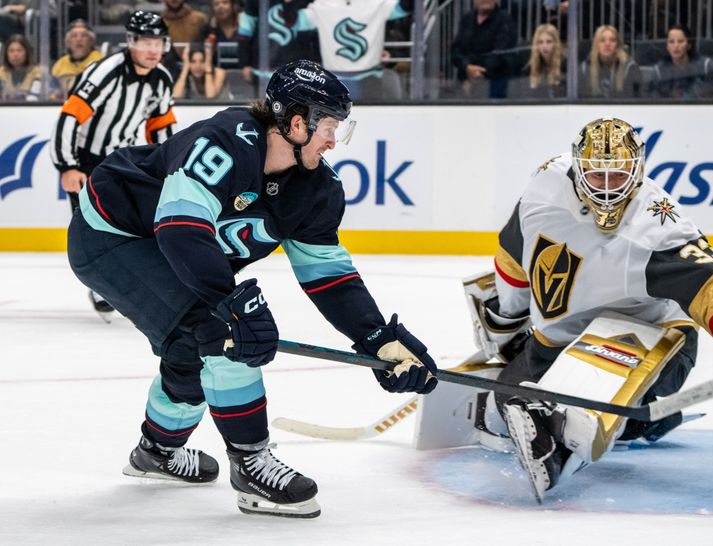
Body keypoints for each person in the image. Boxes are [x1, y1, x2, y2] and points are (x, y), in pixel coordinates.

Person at [65, 59, 438, 518]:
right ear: (297, 122)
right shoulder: (224, 141)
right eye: (328, 126)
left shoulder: (317, 187)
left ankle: (157, 452)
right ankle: (251, 462)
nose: (333, 140)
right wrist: (231, 302)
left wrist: (377, 337)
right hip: (112, 234)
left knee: (195, 343)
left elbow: (329, 275)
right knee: (218, 331)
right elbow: (181, 226)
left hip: (170, 247)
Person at [469, 117, 713, 501]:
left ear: (637, 170)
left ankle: (591, 429)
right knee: (502, 405)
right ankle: (635, 425)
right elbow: (513, 256)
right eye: (597, 176)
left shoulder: (657, 226)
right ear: (577, 169)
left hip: (652, 337)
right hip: (560, 339)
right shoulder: (543, 189)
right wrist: (507, 321)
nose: (608, 189)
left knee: (571, 406)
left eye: (618, 175)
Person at [49, 11, 175, 316]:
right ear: (130, 42)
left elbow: (161, 126)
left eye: (157, 42)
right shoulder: (105, 71)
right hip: (88, 161)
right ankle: (101, 284)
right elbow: (70, 116)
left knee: (137, 223)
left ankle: (137, 281)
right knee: (93, 227)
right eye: (145, 42)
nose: (152, 50)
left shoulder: (161, 78)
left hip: (125, 161)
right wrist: (67, 166)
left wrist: (171, 167)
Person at [285, 0, 414, 100]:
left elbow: (405, 6)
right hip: (335, 79)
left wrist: (291, 4)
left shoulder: (376, 3)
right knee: (337, 125)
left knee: (367, 123)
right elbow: (293, 22)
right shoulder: (323, 5)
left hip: (367, 78)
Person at [451, 0, 516, 99]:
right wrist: (466, 67)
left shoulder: (505, 20)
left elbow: (500, 53)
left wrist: (474, 73)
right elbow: (455, 50)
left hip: (494, 86)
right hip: (465, 83)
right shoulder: (466, 19)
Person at [650, 24, 713, 100]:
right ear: (667, 47)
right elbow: (654, 101)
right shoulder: (659, 71)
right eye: (671, 42)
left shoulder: (706, 66)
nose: (676, 46)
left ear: (689, 45)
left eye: (680, 41)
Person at [578, 25, 642, 99]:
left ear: (617, 45)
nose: (607, 44)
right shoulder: (585, 68)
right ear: (596, 45)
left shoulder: (630, 68)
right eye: (602, 40)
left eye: (612, 40)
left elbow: (636, 98)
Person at [51, 20, 104, 99]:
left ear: (91, 41)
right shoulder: (60, 64)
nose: (79, 39)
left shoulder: (101, 61)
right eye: (74, 36)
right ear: (67, 43)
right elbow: (53, 91)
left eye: (83, 35)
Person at [513, 23, 565, 99]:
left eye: (549, 42)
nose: (544, 46)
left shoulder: (566, 66)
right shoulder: (528, 69)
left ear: (556, 43)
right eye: (540, 42)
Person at [0, 34, 42, 101]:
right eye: (11, 51)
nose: (15, 54)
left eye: (19, 50)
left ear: (27, 53)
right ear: (6, 54)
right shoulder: (1, 72)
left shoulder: (37, 72)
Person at [204, 0, 240, 69]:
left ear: (233, 6)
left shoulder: (244, 26)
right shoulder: (208, 29)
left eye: (225, 2)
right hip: (216, 74)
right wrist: (209, 52)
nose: (220, 7)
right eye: (216, 4)